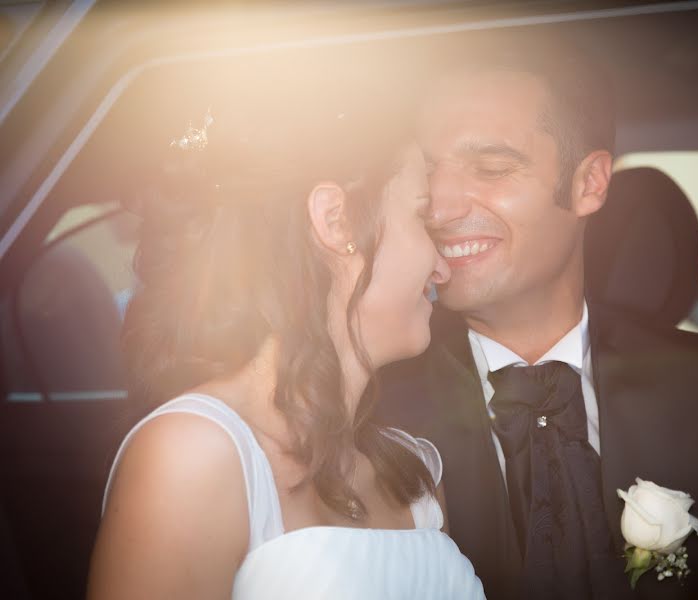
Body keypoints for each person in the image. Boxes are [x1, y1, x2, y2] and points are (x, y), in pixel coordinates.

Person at [376, 33, 698, 599]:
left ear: (588, 184)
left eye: (491, 168)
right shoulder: (373, 399)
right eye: (428, 173)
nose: (440, 208)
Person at [87, 78, 485, 599]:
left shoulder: (411, 475)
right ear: (334, 220)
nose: (440, 268)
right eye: (419, 215)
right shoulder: (194, 457)